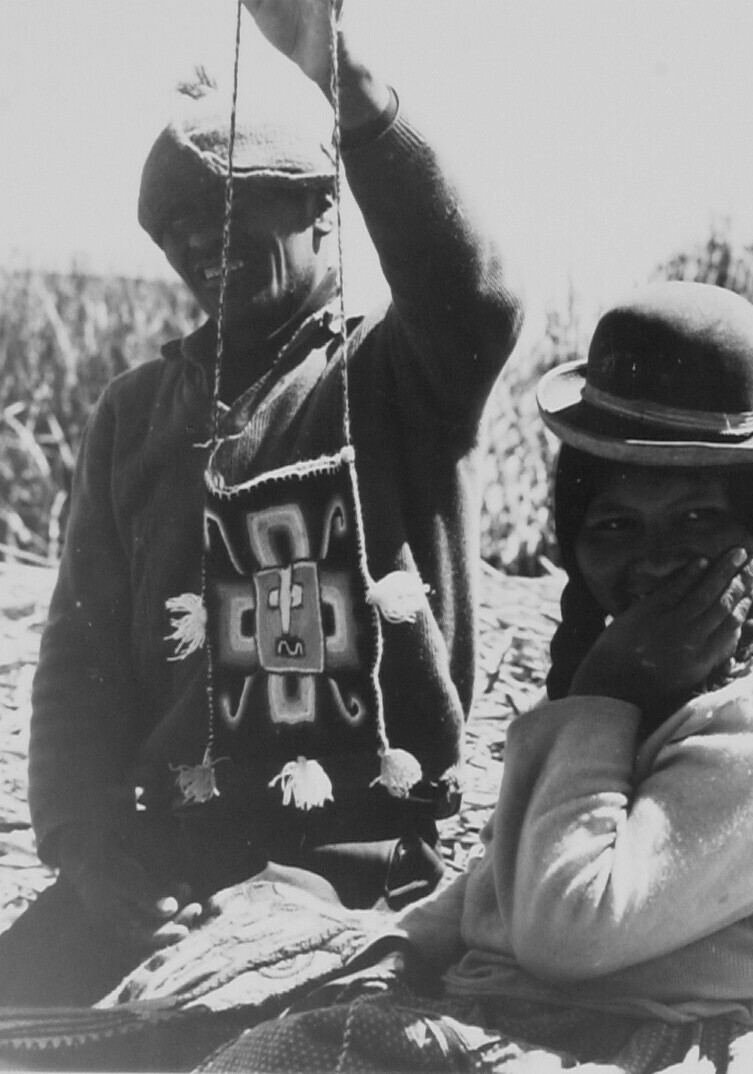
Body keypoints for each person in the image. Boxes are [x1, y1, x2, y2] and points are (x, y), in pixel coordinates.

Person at [199, 281, 753, 1074]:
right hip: (604, 1002)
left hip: (704, 1037)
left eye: (697, 520)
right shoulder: (674, 669)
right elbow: (504, 874)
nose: (653, 560)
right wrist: (402, 946)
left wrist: (601, 696)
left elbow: (564, 929)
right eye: (615, 525)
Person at [0, 0, 523, 1006]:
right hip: (168, 846)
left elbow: (476, 298)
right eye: (176, 227)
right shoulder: (134, 413)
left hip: (350, 848)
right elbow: (79, 656)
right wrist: (87, 845)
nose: (202, 240)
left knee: (207, 1024)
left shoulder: (395, 378)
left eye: (233, 206)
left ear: (322, 207)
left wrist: (343, 78)